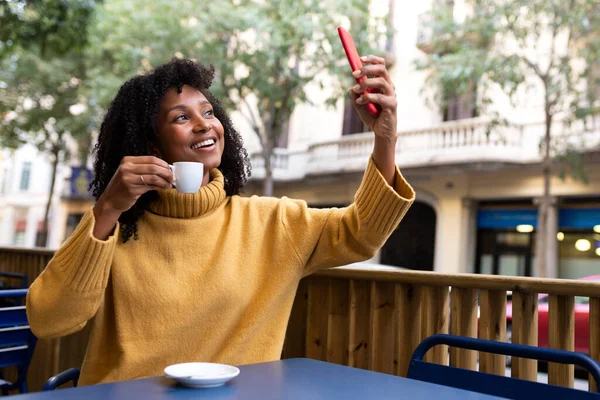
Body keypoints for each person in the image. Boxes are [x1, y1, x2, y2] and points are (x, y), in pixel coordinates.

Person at [26, 57, 415, 385]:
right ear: (151, 146)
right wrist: (108, 208)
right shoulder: (113, 226)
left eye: (208, 112)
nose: (204, 124)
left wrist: (385, 137)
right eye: (182, 117)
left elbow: (361, 232)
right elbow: (49, 320)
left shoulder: (273, 223)